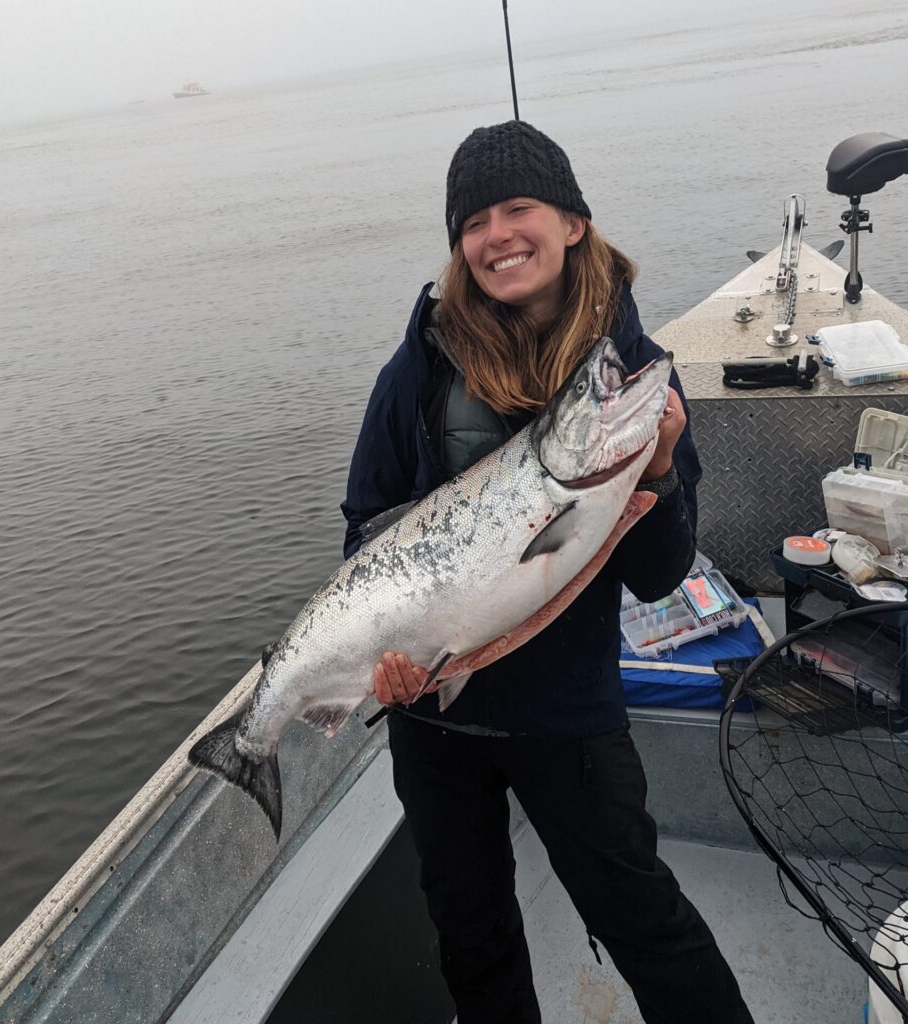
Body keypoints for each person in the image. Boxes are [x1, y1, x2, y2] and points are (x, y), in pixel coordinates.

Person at [341, 120, 753, 1024]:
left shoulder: (631, 378)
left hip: (565, 714)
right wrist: (388, 658)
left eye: (518, 207)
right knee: (472, 934)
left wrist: (654, 473)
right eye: (475, 220)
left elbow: (659, 575)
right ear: (459, 245)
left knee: (642, 916)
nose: (498, 235)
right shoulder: (414, 373)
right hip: (433, 717)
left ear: (572, 222)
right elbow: (362, 536)